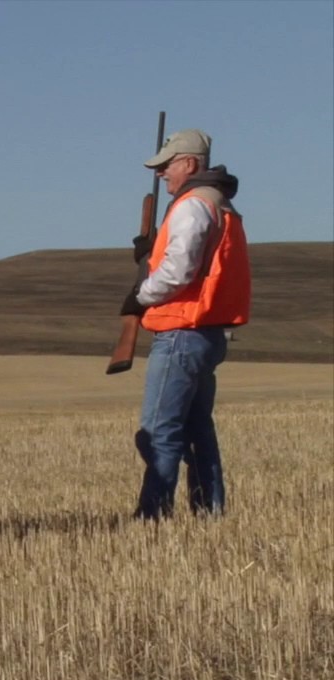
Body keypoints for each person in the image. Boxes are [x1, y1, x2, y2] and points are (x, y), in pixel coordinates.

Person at [128, 129, 251, 520]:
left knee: (158, 431)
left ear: (190, 163)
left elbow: (179, 271)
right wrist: (152, 251)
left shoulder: (191, 206)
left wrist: (141, 293)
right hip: (207, 332)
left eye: (168, 164)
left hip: (182, 331)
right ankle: (209, 513)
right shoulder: (220, 204)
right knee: (198, 431)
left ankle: (153, 516)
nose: (162, 172)